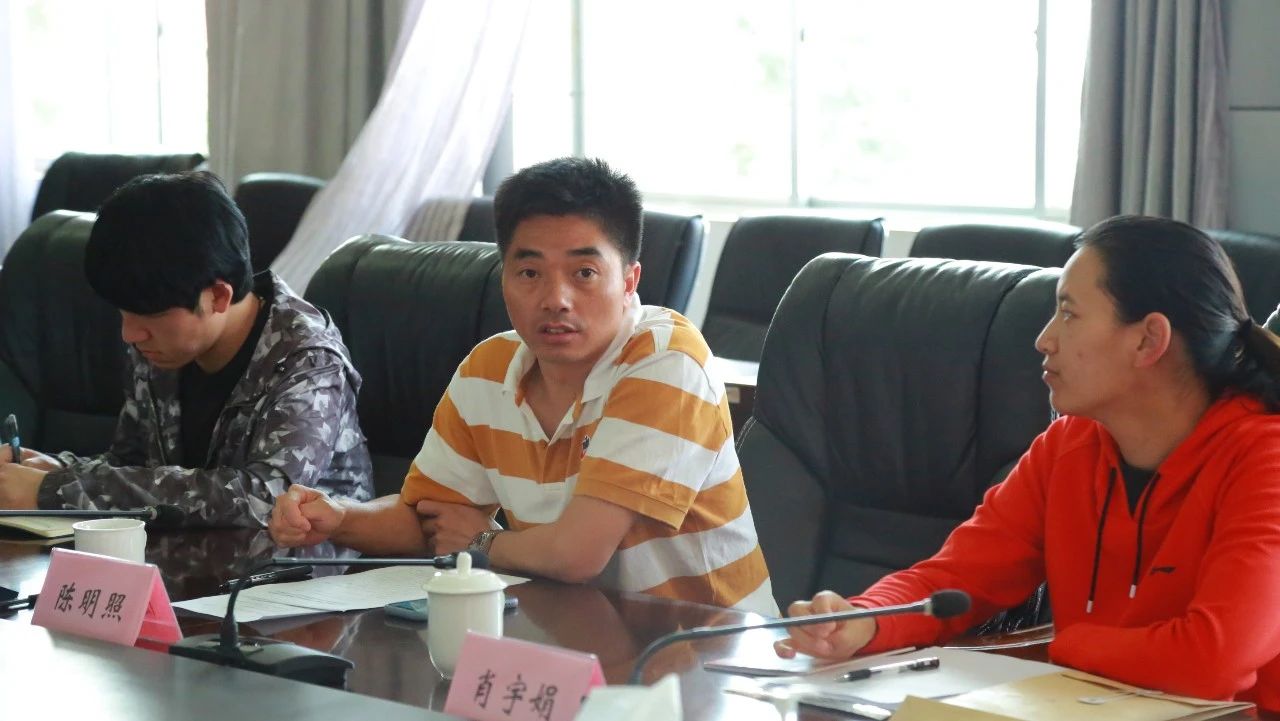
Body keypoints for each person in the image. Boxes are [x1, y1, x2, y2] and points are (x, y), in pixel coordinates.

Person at [777, 215, 1280, 708]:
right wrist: (863, 620)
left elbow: (1211, 660)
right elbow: (954, 579)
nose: (1044, 339)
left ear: (1149, 340)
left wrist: (1062, 646)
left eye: (1069, 313)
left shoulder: (1266, 458)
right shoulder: (1067, 446)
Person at [269, 157, 777, 615]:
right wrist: (338, 517)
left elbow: (576, 555)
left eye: (584, 272)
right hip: (573, 640)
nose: (556, 299)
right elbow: (426, 520)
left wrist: (483, 542)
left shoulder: (666, 361)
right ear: (504, 278)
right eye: (530, 272)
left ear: (629, 281)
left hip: (711, 653)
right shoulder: (488, 368)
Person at [0, 172, 373, 526]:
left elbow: (266, 498)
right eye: (124, 312)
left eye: (151, 315)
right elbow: (131, 466)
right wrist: (58, 470)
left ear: (218, 296)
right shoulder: (159, 345)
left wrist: (59, 490)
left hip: (293, 567)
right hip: (173, 560)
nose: (130, 334)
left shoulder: (306, 358)